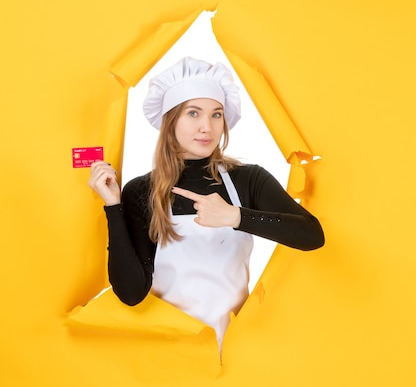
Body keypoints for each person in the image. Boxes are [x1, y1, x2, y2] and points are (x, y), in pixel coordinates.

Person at [88, 56, 324, 346]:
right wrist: (114, 207)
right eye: (193, 113)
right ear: (170, 119)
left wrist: (235, 217)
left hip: (239, 352)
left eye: (216, 114)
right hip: (171, 351)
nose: (207, 127)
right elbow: (131, 292)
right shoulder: (142, 190)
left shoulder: (247, 179)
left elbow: (311, 234)